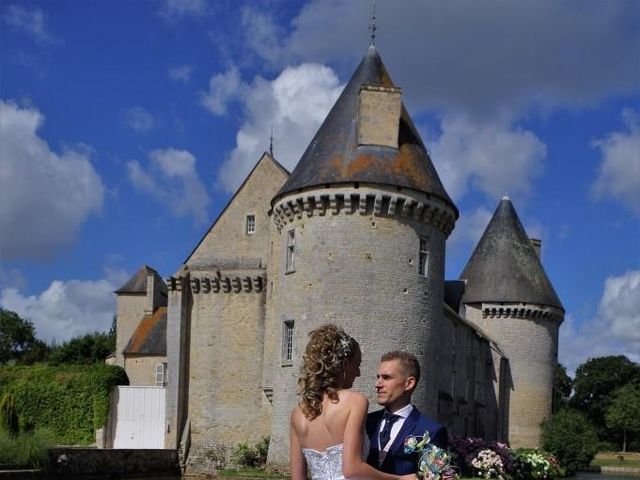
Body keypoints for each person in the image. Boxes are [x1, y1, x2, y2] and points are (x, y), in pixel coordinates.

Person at [290, 324, 417, 480]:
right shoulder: (355, 402)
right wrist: (400, 479)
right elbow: (352, 469)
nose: (358, 373)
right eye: (357, 364)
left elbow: (297, 477)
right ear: (344, 365)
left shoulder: (298, 414)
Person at [365, 351, 448, 475]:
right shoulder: (366, 422)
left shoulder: (430, 431)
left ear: (409, 383)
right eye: (378, 377)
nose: (377, 384)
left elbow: (432, 475)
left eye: (386, 378)